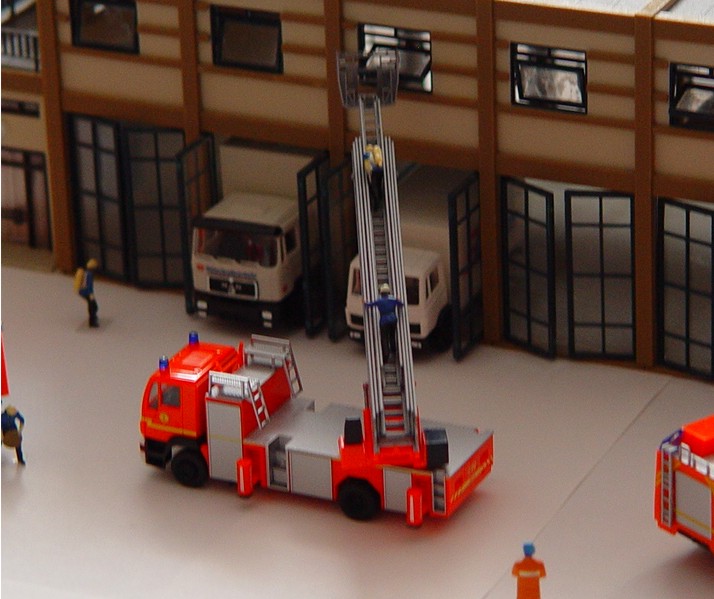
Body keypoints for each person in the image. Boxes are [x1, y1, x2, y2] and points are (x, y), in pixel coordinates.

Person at [365, 283, 403, 361]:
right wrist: (398, 299)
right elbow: (401, 304)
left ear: (381, 293)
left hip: (384, 321)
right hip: (393, 320)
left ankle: (386, 355)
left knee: (384, 338)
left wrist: (365, 302)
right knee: (392, 336)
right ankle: (393, 352)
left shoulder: (379, 301)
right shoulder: (393, 299)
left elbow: (369, 305)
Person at [363, 143, 384, 212]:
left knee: (373, 186)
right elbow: (379, 160)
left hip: (374, 172)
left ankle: (377, 203)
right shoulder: (377, 150)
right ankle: (379, 198)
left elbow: (367, 165)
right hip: (379, 170)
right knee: (378, 185)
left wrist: (369, 171)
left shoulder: (367, 154)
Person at [78, 258, 99, 327]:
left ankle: (93, 319)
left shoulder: (86, 272)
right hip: (86, 292)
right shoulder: (89, 275)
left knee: (92, 305)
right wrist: (91, 295)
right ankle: (92, 322)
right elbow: (89, 286)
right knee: (93, 306)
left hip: (83, 291)